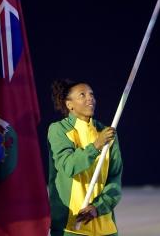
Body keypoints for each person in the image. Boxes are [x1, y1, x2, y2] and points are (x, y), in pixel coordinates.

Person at [47, 79, 123, 236]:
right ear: (69, 105)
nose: (90, 98)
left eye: (92, 95)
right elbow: (68, 166)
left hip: (105, 228)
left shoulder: (107, 133)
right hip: (71, 227)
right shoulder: (58, 130)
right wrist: (95, 146)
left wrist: (98, 208)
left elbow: (114, 180)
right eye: (82, 95)